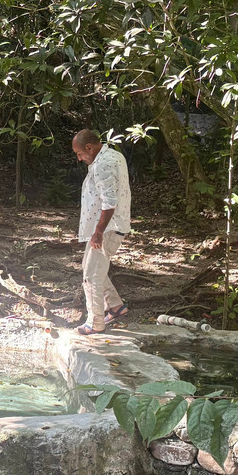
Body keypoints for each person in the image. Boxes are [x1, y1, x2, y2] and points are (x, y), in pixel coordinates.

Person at [71, 129, 131, 336]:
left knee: (91, 275)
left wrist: (98, 232)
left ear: (89, 147)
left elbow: (110, 202)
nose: (79, 158)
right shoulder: (113, 155)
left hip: (107, 229)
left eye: (79, 153)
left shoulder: (104, 164)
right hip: (110, 226)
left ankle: (95, 322)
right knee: (92, 268)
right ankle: (115, 307)